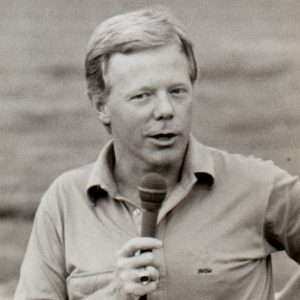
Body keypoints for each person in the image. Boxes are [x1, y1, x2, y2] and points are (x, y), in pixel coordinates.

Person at [15, 7, 300, 300]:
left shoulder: (255, 186)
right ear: (101, 106)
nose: (165, 110)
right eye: (142, 96)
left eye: (177, 91)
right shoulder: (64, 203)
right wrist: (111, 295)